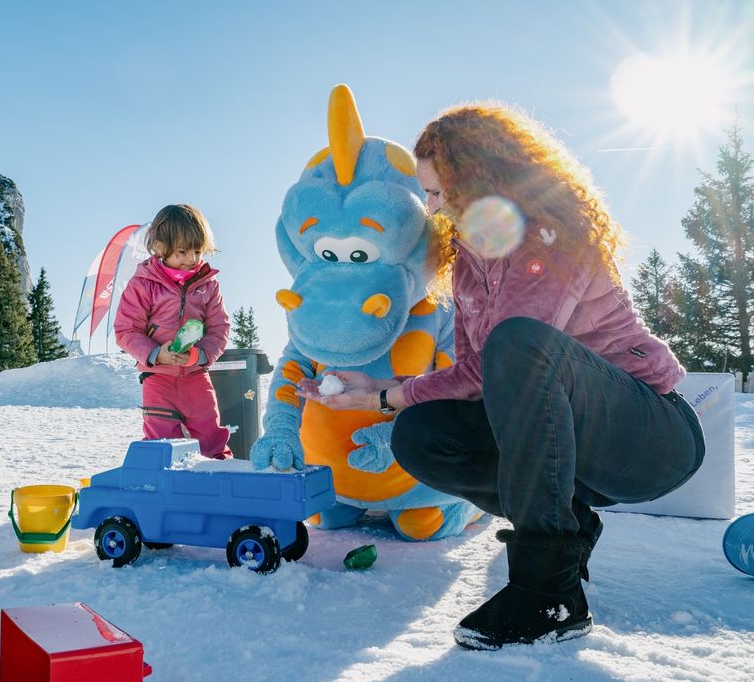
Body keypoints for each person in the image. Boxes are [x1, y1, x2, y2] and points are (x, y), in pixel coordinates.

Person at [300, 104, 704, 649]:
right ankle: (569, 525)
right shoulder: (468, 262)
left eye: (439, 193)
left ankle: (547, 591)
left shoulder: (550, 236)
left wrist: (391, 393)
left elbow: (517, 350)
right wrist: (383, 395)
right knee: (421, 435)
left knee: (518, 341)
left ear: (478, 179)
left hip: (650, 438)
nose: (432, 208)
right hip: (572, 446)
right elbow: (474, 374)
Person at [114, 204, 232, 459]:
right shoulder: (143, 284)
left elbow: (219, 329)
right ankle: (166, 489)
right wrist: (156, 353)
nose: (191, 258)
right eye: (182, 251)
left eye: (197, 251)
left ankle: (221, 481)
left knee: (210, 434)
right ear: (159, 247)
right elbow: (126, 329)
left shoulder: (208, 285)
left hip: (195, 376)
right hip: (158, 378)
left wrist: (199, 356)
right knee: (161, 441)